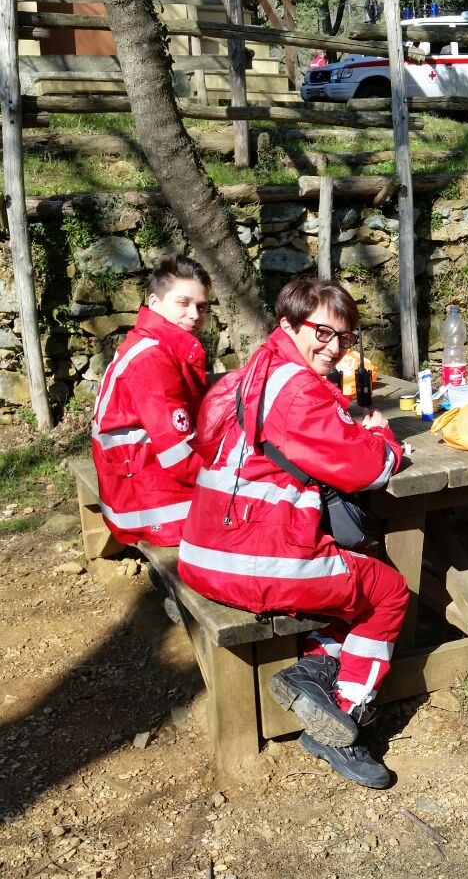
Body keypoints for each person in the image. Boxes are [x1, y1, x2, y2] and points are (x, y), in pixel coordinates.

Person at [178, 278, 410, 790]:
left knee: (343, 565)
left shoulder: (248, 375)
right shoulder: (298, 389)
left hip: (202, 548)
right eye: (323, 333)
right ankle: (344, 724)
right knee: (387, 591)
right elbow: (368, 470)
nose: (334, 347)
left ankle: (315, 672)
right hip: (254, 564)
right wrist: (381, 435)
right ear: (287, 325)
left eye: (345, 338)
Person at [91, 255, 210, 547]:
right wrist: (232, 475)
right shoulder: (152, 359)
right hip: (150, 506)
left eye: (201, 306)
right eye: (183, 303)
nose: (194, 314)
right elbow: (180, 456)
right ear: (154, 303)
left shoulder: (154, 344)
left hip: (136, 485)